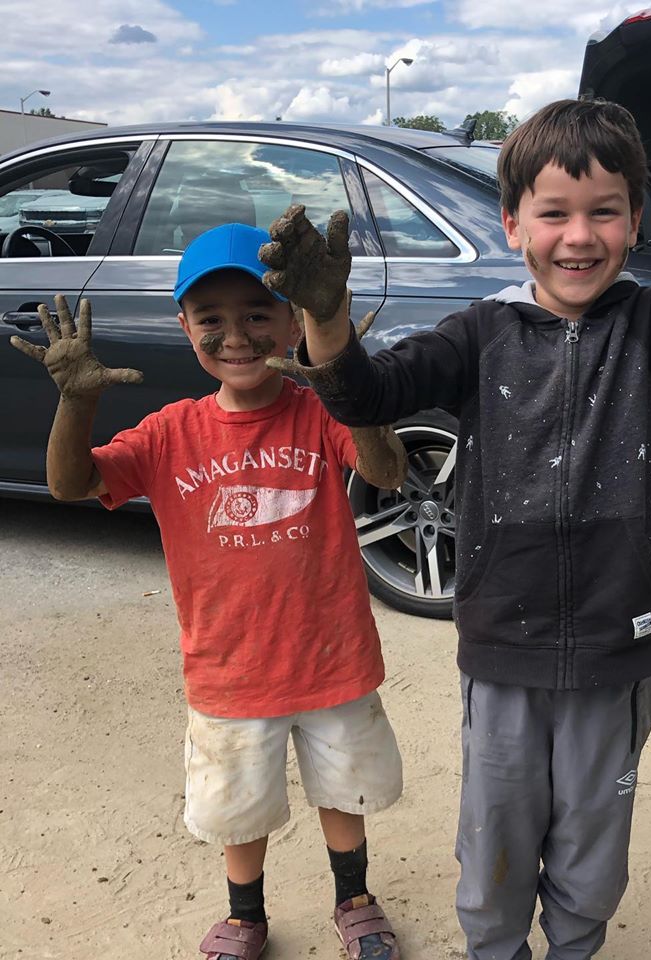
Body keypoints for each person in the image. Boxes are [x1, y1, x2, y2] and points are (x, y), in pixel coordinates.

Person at [258, 93, 651, 960]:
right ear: (513, 224)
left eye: (603, 212)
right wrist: (325, 319)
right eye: (553, 213)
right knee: (497, 847)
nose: (578, 236)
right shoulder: (479, 334)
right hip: (503, 644)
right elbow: (366, 395)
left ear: (634, 220)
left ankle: (575, 946)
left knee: (591, 849)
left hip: (619, 649)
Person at [9, 222, 409, 960]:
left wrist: (345, 371)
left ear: (292, 318)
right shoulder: (170, 433)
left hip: (333, 659)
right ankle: (245, 915)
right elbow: (72, 484)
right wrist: (77, 404)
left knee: (344, 792)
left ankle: (352, 898)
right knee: (238, 807)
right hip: (230, 671)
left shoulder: (321, 411)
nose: (237, 335)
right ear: (183, 327)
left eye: (258, 314)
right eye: (212, 319)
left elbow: (386, 472)